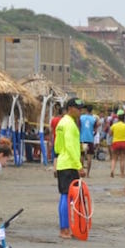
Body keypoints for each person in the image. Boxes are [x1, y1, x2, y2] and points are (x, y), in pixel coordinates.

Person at [54, 97, 85, 239]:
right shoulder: (70, 124)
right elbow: (71, 146)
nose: (80, 111)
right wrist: (79, 165)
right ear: (70, 108)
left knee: (64, 196)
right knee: (67, 197)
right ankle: (64, 229)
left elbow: (58, 146)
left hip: (63, 162)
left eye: (81, 109)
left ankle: (65, 228)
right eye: (77, 108)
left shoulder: (62, 122)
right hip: (70, 164)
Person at [109, 113, 125, 178]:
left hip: (115, 142)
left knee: (114, 158)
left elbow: (110, 134)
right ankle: (122, 174)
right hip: (124, 142)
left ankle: (112, 171)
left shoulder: (114, 125)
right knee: (122, 159)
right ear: (124, 119)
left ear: (118, 118)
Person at [79, 105, 96, 174]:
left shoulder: (81, 117)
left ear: (86, 110)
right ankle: (88, 173)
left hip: (82, 138)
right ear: (91, 111)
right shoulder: (93, 119)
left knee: (82, 155)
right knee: (89, 156)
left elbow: (79, 126)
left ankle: (81, 171)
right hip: (90, 139)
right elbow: (95, 128)